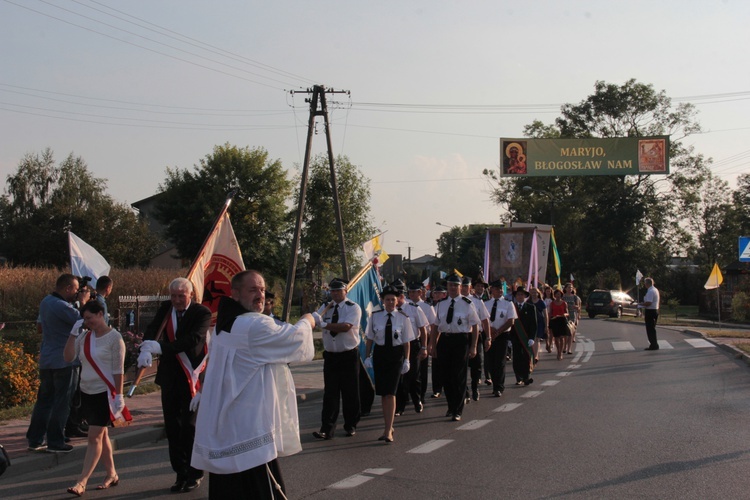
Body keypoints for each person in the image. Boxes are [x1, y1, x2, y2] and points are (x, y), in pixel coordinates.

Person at [190, 270, 315, 499]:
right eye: (253, 290)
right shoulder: (254, 326)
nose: (260, 295)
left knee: (228, 489)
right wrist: (308, 321)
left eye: (262, 289)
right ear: (235, 294)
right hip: (249, 431)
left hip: (226, 426)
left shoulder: (223, 326)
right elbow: (297, 342)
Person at [139, 278, 211, 493]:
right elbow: (153, 329)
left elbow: (194, 339)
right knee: (172, 427)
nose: (177, 300)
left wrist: (163, 348)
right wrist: (146, 346)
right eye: (173, 295)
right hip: (170, 377)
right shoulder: (166, 309)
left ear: (191, 295)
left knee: (189, 428)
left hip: (191, 377)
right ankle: (180, 472)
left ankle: (194, 472)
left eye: (181, 295)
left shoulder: (202, 313)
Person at [63, 301, 127, 497]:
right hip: (87, 392)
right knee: (102, 435)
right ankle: (112, 474)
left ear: (101, 314)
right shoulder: (84, 337)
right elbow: (67, 358)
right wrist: (73, 334)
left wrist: (119, 395)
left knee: (94, 437)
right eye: (85, 319)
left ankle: (82, 481)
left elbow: (118, 370)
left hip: (104, 394)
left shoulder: (115, 339)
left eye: (90, 317)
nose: (87, 322)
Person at [26, 274, 81, 454]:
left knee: (44, 401)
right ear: (67, 288)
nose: (76, 292)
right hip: (64, 360)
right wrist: (83, 301)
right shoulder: (61, 305)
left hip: (48, 359)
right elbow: (82, 320)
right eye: (75, 289)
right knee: (62, 402)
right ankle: (55, 440)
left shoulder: (46, 301)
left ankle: (35, 439)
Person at [313, 278, 362, 439]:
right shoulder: (326, 308)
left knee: (350, 392)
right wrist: (312, 319)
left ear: (345, 291)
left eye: (338, 291)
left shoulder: (353, 308)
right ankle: (327, 429)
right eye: (332, 291)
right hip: (331, 356)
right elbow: (315, 321)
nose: (334, 293)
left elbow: (345, 327)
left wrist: (324, 325)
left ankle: (350, 425)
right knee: (330, 394)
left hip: (348, 355)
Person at [364, 286, 414, 443]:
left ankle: (388, 430)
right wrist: (367, 357)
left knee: (391, 393)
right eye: (387, 299)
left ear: (398, 300)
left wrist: (407, 359)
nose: (391, 302)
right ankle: (388, 426)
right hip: (380, 355)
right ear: (383, 301)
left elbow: (406, 342)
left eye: (393, 299)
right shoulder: (375, 316)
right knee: (384, 393)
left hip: (396, 356)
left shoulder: (403, 317)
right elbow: (370, 339)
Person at [429, 274, 479, 421]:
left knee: (459, 376)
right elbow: (435, 326)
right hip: (445, 340)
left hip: (460, 340)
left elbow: (475, 326)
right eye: (450, 285)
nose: (452, 288)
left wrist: (474, 346)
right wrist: (433, 345)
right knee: (446, 376)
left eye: (455, 285)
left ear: (460, 287)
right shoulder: (441, 303)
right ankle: (451, 406)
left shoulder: (467, 303)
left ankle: (458, 409)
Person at [393, 281, 429, 415]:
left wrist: (424, 347)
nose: (397, 298)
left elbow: (423, 330)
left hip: (413, 344)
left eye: (399, 295)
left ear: (402, 295)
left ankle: (417, 400)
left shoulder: (414, 308)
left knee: (413, 376)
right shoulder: (392, 310)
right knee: (400, 377)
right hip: (398, 346)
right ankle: (400, 406)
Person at [485, 280, 517, 397]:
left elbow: (510, 321)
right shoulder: (486, 303)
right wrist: (490, 330)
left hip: (502, 335)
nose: (499, 290)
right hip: (489, 335)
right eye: (496, 288)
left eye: (500, 289)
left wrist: (498, 331)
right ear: (491, 290)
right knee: (490, 362)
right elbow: (483, 319)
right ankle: (494, 383)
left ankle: (499, 387)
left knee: (500, 362)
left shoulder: (508, 304)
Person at [461, 277, 491, 402]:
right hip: (462, 336)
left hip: (475, 335)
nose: (463, 289)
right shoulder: (456, 301)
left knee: (476, 364)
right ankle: (465, 391)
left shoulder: (477, 302)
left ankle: (475, 388)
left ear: (470, 288)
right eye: (462, 286)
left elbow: (485, 320)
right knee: (462, 365)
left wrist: (488, 337)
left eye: (466, 286)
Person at [408, 283, 436, 405]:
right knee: (410, 371)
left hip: (423, 339)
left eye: (415, 292)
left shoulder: (426, 307)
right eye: (410, 292)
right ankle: (410, 394)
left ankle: (421, 395)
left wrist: (430, 344)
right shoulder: (405, 306)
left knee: (422, 370)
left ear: (420, 293)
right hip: (409, 340)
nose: (412, 294)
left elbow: (433, 325)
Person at [510, 287, 537, 386]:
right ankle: (518, 377)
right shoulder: (512, 307)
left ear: (525, 296)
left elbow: (534, 324)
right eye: (518, 295)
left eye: (522, 294)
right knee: (517, 357)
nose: (520, 296)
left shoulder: (530, 307)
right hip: (515, 336)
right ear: (515, 296)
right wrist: (509, 338)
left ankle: (526, 377)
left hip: (526, 337)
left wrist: (531, 338)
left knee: (526, 356)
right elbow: (510, 323)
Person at [429, 285, 447, 399]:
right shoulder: (431, 306)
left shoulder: (446, 306)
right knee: (435, 366)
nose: (435, 295)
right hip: (433, 337)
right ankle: (437, 389)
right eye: (435, 293)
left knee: (447, 366)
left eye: (438, 293)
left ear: (444, 294)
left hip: (444, 337)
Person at [639, 277, 661, 350]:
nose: (644, 285)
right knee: (652, 329)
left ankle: (653, 345)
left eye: (645, 283)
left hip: (650, 311)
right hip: (654, 310)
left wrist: (640, 305)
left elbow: (649, 302)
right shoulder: (654, 290)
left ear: (647, 283)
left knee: (650, 329)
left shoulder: (651, 291)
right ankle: (654, 344)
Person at [548, 289, 570, 359]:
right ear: (554, 295)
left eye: (559, 294)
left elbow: (567, 313)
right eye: (556, 294)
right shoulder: (552, 303)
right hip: (555, 321)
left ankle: (560, 352)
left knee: (561, 337)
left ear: (561, 295)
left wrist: (564, 314)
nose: (558, 295)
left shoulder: (564, 303)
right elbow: (550, 313)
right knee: (556, 338)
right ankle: (558, 351)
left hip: (562, 320)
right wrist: (549, 321)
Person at [529, 287, 548, 364]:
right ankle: (532, 354)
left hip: (539, 322)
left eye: (535, 292)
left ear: (538, 293)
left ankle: (536, 355)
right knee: (531, 339)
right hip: (530, 322)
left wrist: (546, 325)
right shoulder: (528, 302)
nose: (534, 294)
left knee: (537, 339)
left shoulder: (541, 302)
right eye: (532, 292)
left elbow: (545, 315)